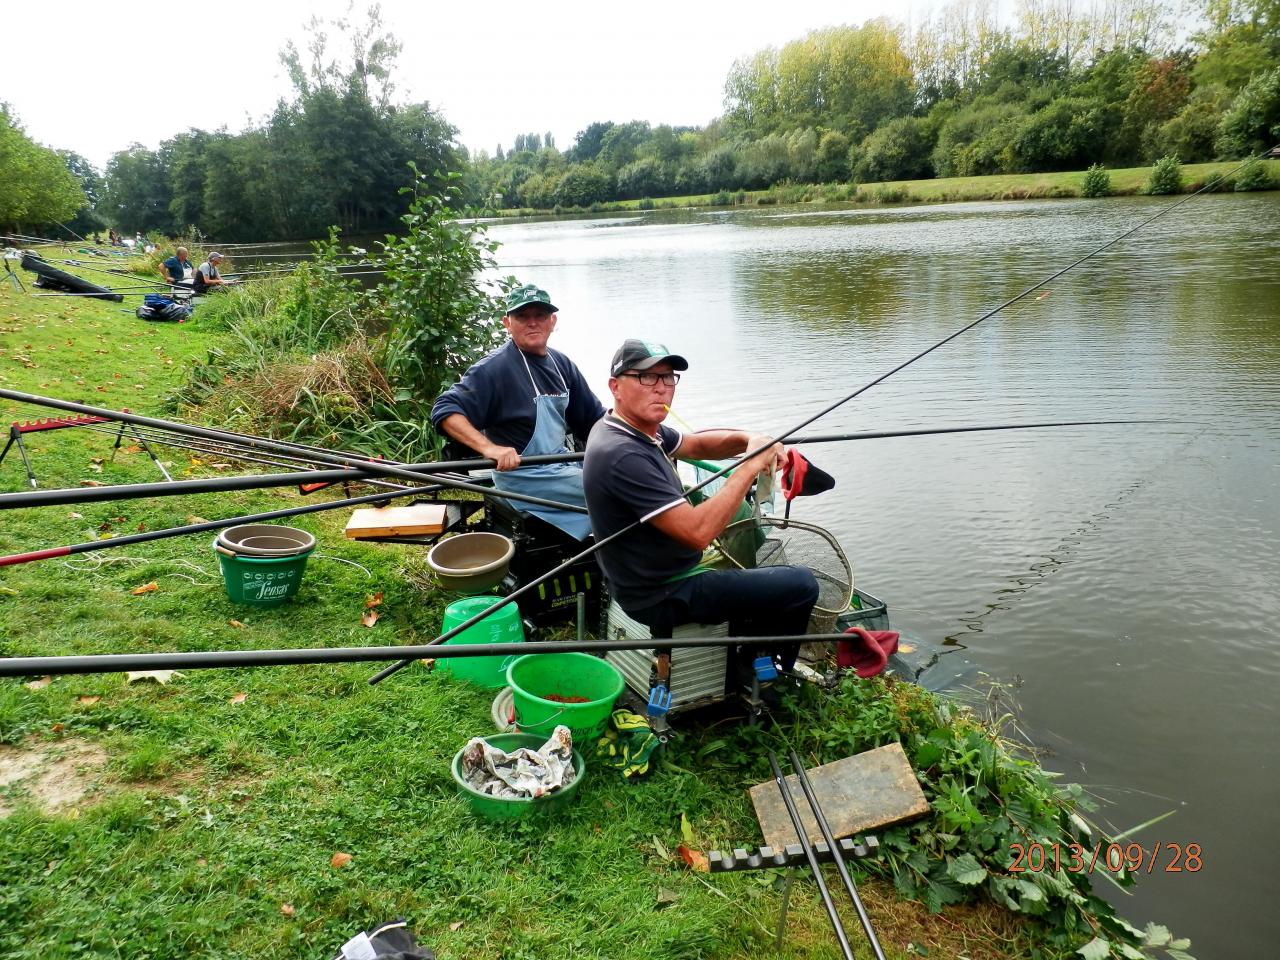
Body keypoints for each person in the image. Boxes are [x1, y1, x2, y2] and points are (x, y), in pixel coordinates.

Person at [581, 338, 819, 688]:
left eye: (667, 378)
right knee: (801, 584)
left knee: (752, 563)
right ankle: (758, 670)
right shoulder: (623, 453)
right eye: (647, 378)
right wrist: (750, 465)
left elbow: (696, 444)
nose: (661, 388)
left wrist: (748, 438)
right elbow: (698, 533)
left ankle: (747, 653)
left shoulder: (634, 428)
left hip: (655, 571)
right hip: (663, 592)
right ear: (616, 386)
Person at [431, 283, 605, 540]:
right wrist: (489, 448)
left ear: (552, 321)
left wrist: (634, 436)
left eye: (540, 316)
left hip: (560, 463)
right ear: (507, 323)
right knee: (613, 491)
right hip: (524, 476)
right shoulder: (495, 368)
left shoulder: (561, 364)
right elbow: (444, 410)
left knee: (627, 478)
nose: (532, 323)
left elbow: (593, 419)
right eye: (522, 317)